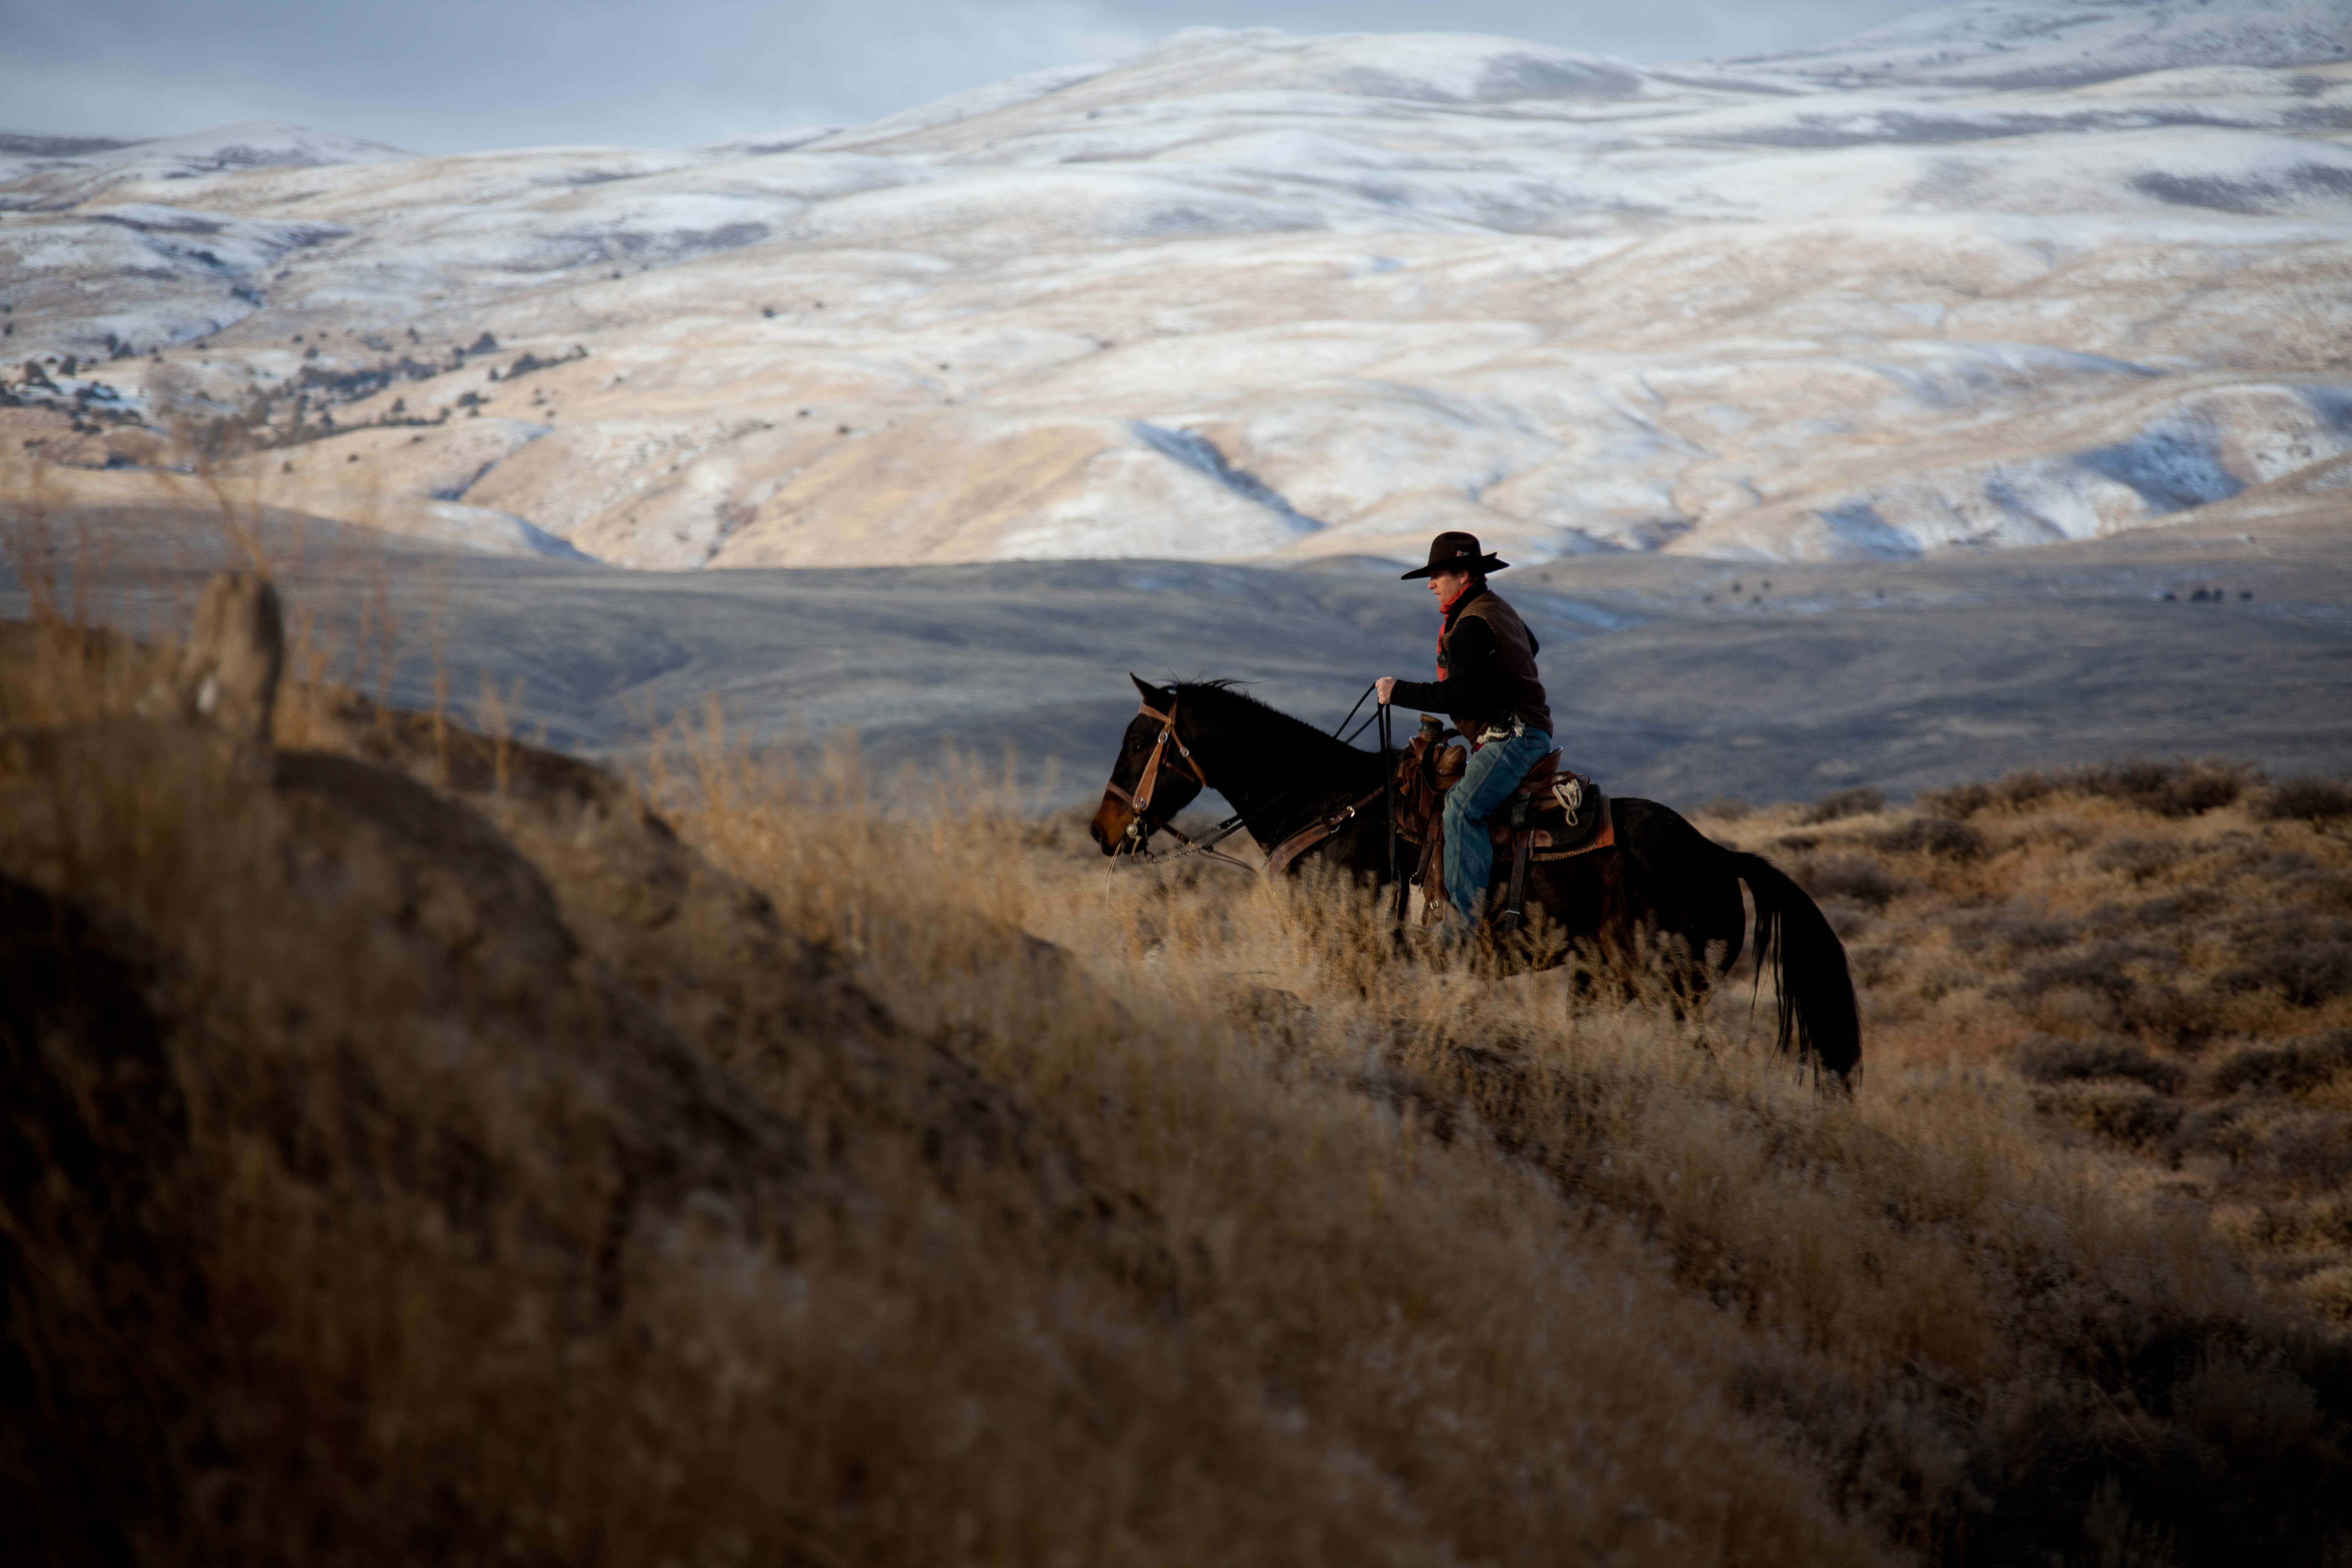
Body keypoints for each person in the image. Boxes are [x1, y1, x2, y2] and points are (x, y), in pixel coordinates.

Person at [1375, 531, 1554, 934]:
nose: (1431, 584)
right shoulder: (1495, 608)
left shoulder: (1472, 622)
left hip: (1515, 737)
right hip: (1523, 729)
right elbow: (1531, 646)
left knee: (1460, 810)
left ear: (1464, 574)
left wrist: (1396, 691)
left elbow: (1461, 691)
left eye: (1438, 574)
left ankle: (1461, 929)